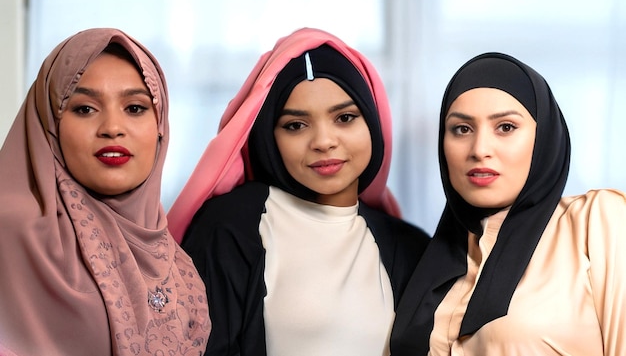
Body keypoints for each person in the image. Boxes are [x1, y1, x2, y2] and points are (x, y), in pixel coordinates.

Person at [167, 27, 430, 356]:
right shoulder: (231, 228)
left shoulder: (410, 248)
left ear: (373, 124)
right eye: (296, 125)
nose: (323, 141)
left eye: (345, 118)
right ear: (268, 137)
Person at [390, 52, 626, 355]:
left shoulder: (598, 222)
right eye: (462, 129)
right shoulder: (433, 266)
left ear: (543, 138)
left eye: (505, 127)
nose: (480, 149)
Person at [0, 28, 210, 356]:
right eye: (84, 109)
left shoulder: (176, 262)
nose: (112, 127)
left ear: (160, 126)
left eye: (135, 108)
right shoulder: (12, 232)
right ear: (50, 125)